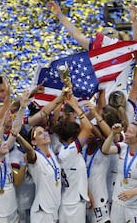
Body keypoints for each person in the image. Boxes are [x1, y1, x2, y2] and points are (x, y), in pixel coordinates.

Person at [102, 122, 137, 223]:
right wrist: (113, 134)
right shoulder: (123, 148)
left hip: (136, 206)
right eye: (127, 131)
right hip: (118, 203)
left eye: (130, 132)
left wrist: (133, 192)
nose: (126, 134)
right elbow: (105, 149)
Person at [51, 95, 92, 223]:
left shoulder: (61, 149)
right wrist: (75, 106)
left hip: (68, 200)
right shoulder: (70, 152)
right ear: (71, 140)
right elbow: (88, 128)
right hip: (73, 206)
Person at [14, 125, 62, 223]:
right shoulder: (35, 158)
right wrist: (18, 136)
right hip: (42, 212)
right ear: (34, 142)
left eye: (44, 131)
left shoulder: (51, 153)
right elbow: (30, 150)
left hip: (54, 209)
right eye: (39, 133)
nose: (45, 134)